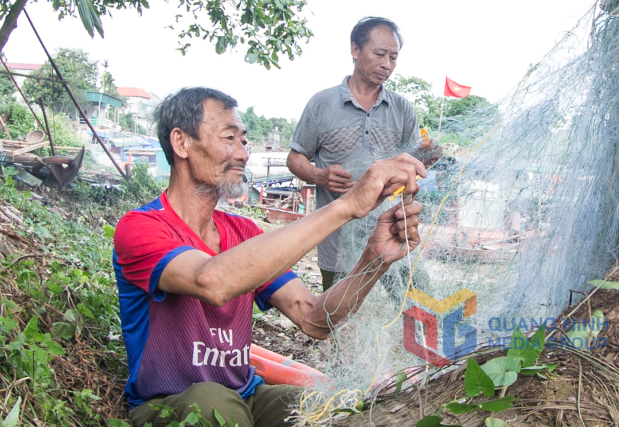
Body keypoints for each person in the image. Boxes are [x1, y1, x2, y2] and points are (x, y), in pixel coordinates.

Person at [113, 87, 425, 427]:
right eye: (229, 138)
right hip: (167, 403)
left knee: (327, 406)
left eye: (244, 141)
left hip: (245, 399)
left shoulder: (244, 232)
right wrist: (347, 206)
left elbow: (314, 319)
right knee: (212, 402)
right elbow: (213, 281)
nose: (243, 154)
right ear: (182, 142)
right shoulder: (141, 228)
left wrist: (374, 259)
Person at [287, 17, 438, 294]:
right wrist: (319, 175)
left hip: (390, 231)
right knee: (338, 316)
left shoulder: (402, 109)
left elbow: (413, 164)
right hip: (336, 237)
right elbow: (295, 159)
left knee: (417, 306)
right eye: (380, 54)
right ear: (355, 50)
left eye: (394, 57)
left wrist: (427, 158)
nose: (387, 64)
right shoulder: (322, 103)